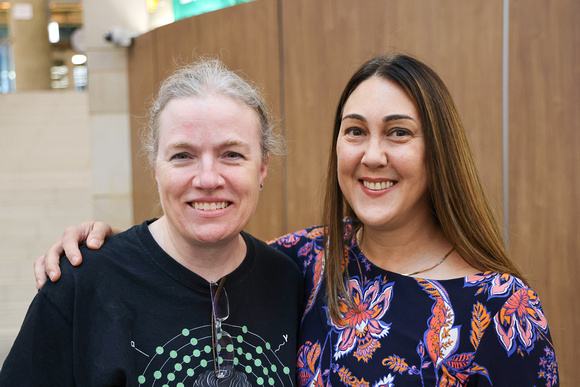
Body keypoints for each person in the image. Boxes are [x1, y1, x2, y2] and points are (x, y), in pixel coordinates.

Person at [31, 54, 559, 386]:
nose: (372, 155)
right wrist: (112, 251)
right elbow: (197, 253)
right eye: (355, 131)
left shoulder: (505, 309)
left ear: (437, 151)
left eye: (398, 132)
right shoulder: (304, 259)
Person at [0, 59, 303, 386]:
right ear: (156, 167)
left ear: (262, 167)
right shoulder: (81, 286)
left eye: (232, 154)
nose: (207, 178)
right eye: (182, 155)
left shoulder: (291, 281)